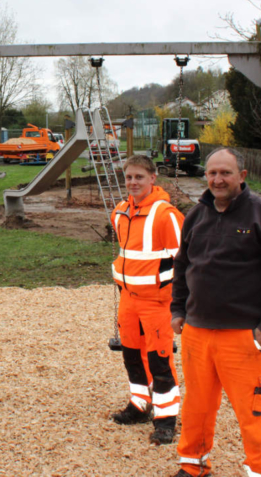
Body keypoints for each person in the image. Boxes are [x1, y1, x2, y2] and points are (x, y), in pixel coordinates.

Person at [170, 147, 261, 477]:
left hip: (244, 336)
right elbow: (183, 264)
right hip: (198, 332)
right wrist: (178, 309)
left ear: (241, 176)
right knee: (196, 407)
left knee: (253, 412)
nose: (217, 179)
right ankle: (193, 465)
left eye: (225, 172)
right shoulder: (196, 216)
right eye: (212, 173)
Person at [109, 154, 184, 445]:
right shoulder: (119, 213)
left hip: (157, 303)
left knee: (160, 361)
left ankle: (165, 420)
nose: (133, 182)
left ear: (153, 178)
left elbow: (185, 262)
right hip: (128, 299)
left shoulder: (166, 215)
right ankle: (140, 405)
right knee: (131, 356)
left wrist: (179, 303)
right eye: (128, 177)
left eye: (139, 177)